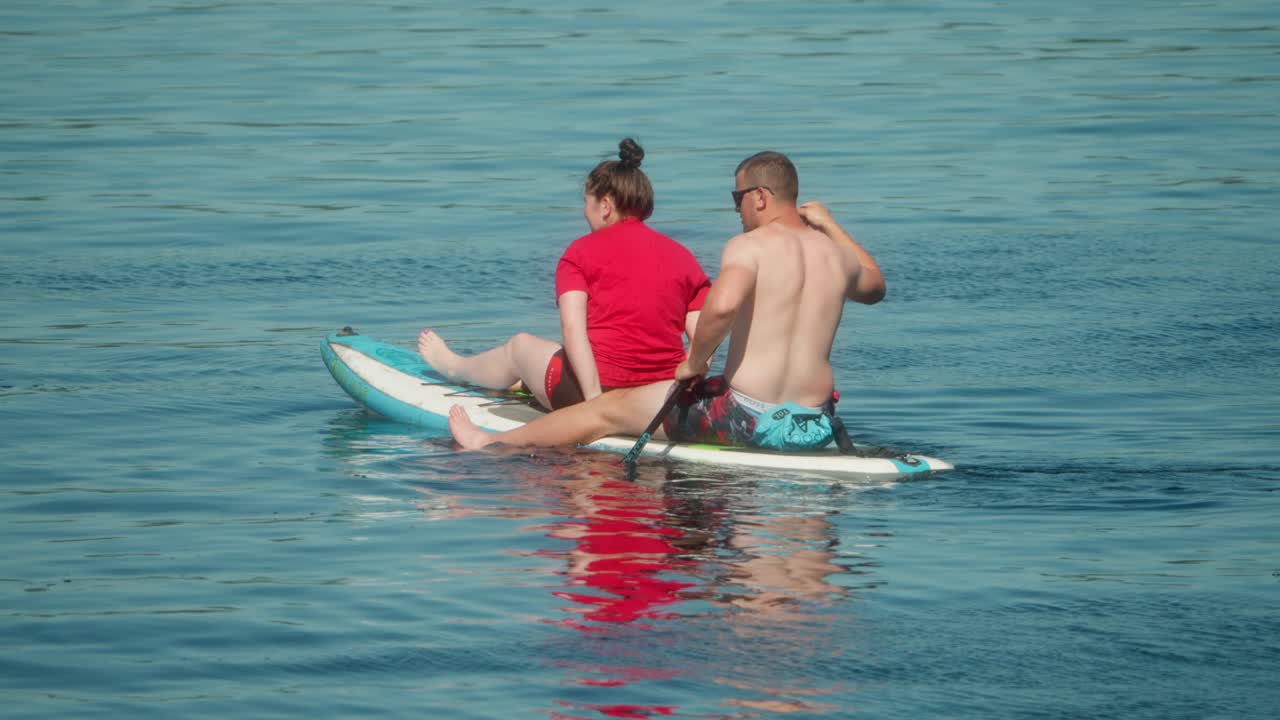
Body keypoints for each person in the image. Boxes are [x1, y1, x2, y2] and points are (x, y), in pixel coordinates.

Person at [447, 150, 885, 452]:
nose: (737, 210)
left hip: (746, 419)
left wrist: (695, 361)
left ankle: (491, 445)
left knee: (607, 410)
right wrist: (830, 224)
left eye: (738, 199)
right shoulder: (834, 255)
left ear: (761, 197)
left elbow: (725, 303)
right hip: (814, 423)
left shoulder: (748, 246)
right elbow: (875, 288)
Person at [417, 138, 710, 411]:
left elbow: (573, 331)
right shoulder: (683, 257)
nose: (585, 211)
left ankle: (455, 367)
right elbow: (705, 339)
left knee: (520, 347)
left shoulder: (580, 252)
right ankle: (521, 382)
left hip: (596, 395)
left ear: (605, 205)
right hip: (658, 397)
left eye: (587, 201)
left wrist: (594, 405)